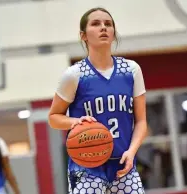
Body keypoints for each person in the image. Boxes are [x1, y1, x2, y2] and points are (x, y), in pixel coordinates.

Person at [49, 7, 148, 194]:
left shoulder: (131, 70)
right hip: (87, 168)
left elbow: (142, 121)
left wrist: (132, 151)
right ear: (83, 35)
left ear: (113, 33)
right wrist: (75, 122)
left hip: (123, 165)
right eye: (96, 24)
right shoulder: (75, 74)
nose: (103, 27)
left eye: (108, 24)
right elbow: (54, 117)